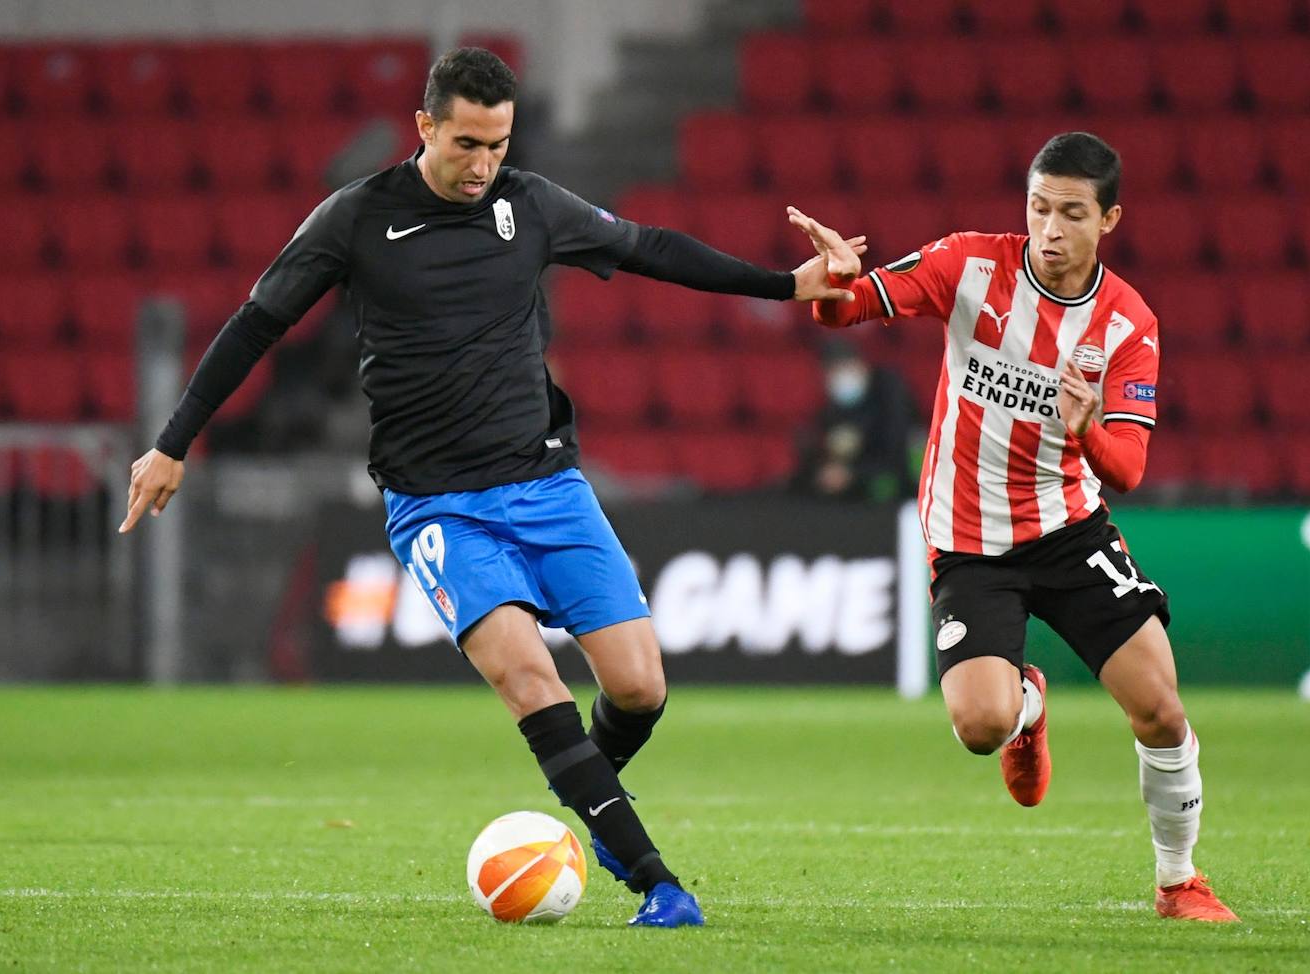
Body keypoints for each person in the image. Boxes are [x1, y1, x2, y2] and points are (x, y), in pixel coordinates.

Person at [118, 47, 862, 928]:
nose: (481, 167)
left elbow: (648, 248)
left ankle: (579, 794)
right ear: (426, 126)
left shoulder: (532, 205)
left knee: (640, 688)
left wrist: (784, 285)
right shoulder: (354, 219)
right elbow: (257, 323)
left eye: (497, 146)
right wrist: (172, 443)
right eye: (466, 143)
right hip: (437, 506)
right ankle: (657, 882)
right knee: (529, 679)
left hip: (547, 486)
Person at [791, 132, 1238, 923]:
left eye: (1072, 212)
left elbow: (1127, 467)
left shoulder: (1128, 323)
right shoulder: (970, 264)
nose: (1051, 228)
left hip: (1068, 528)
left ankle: (1179, 882)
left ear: (1110, 220)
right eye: (1039, 207)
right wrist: (836, 281)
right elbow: (846, 312)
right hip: (967, 539)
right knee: (979, 726)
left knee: (1160, 709)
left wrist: (1085, 426)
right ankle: (1027, 710)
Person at [793, 337, 918, 502]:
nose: (841, 376)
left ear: (861, 366)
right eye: (833, 370)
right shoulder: (833, 408)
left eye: (845, 366)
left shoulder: (890, 393)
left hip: (906, 489)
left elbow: (897, 452)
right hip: (858, 495)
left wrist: (853, 474)